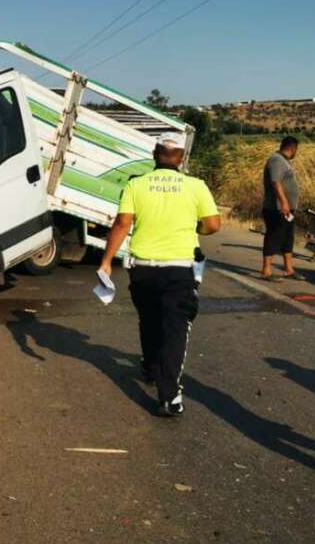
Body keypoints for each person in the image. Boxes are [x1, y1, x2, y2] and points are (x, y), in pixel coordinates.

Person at [98, 132, 221, 417]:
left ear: (155, 154)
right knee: (175, 330)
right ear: (181, 158)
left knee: (150, 320)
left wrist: (106, 260)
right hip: (180, 269)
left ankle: (152, 366)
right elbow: (213, 225)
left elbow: (122, 224)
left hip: (142, 269)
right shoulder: (196, 186)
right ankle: (169, 397)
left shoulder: (135, 185)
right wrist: (196, 230)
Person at [261, 136, 302, 281]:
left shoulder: (283, 161)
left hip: (287, 210)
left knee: (287, 238)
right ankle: (266, 270)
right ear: (292, 148)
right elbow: (276, 182)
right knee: (273, 237)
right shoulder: (277, 160)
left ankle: (289, 269)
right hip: (276, 208)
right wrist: (284, 203)